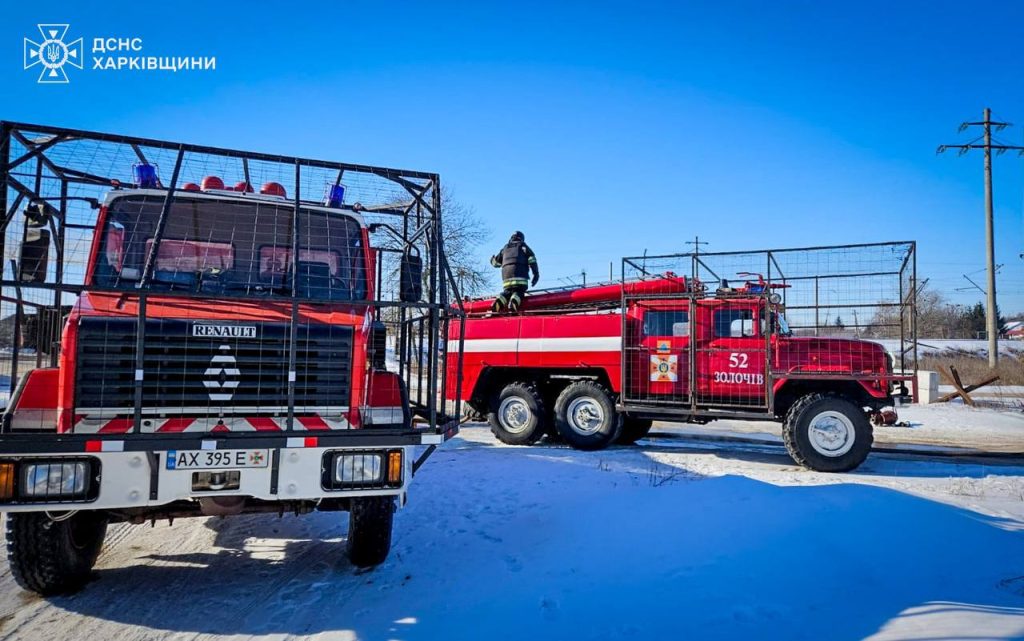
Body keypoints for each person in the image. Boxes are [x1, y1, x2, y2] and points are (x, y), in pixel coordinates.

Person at [490, 231, 539, 312]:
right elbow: (532, 259)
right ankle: (514, 302)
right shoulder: (523, 246)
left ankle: (499, 300)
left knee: (507, 292)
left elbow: (496, 263)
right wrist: (536, 274)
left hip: (506, 278)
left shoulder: (505, 248)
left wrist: (491, 260)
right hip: (520, 276)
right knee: (519, 291)